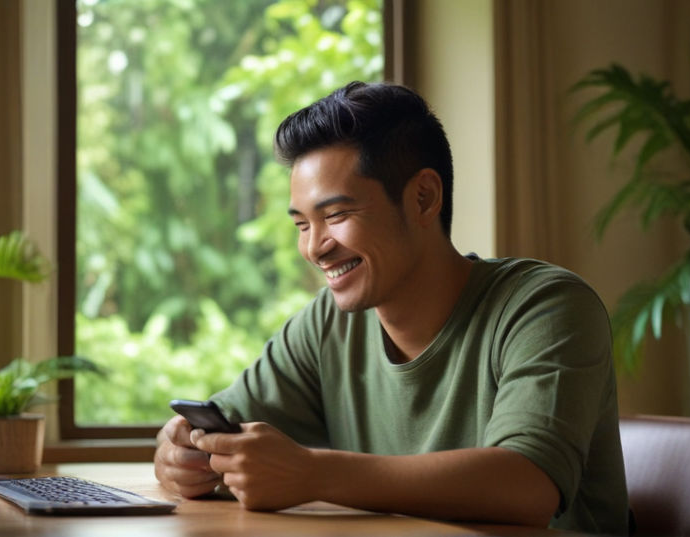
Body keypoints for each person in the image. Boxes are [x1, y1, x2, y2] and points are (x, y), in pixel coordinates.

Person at [154, 81, 629, 534]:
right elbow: (217, 425)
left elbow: (528, 486)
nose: (315, 247)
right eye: (302, 224)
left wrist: (314, 474)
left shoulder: (546, 308)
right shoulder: (327, 324)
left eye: (336, 215)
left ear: (424, 197)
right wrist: (180, 453)